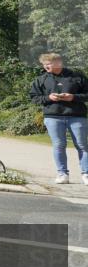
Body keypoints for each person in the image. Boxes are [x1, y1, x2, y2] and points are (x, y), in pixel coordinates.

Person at [29, 53, 88, 185]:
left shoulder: (77, 77)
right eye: (44, 64)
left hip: (77, 116)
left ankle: (86, 174)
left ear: (58, 63)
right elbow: (33, 97)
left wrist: (73, 97)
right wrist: (49, 98)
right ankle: (62, 174)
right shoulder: (41, 79)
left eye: (48, 63)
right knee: (59, 146)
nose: (45, 66)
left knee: (82, 145)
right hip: (53, 117)